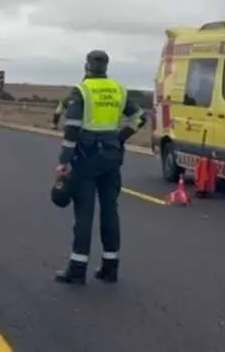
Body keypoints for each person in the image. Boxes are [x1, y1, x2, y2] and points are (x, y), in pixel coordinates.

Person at [53, 50, 146, 285]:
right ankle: (110, 266)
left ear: (87, 65)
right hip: (112, 159)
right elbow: (140, 117)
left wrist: (64, 161)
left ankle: (77, 268)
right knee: (109, 211)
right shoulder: (118, 90)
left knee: (84, 213)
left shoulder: (82, 91)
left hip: (86, 159)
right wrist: (120, 138)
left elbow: (72, 129)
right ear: (106, 66)